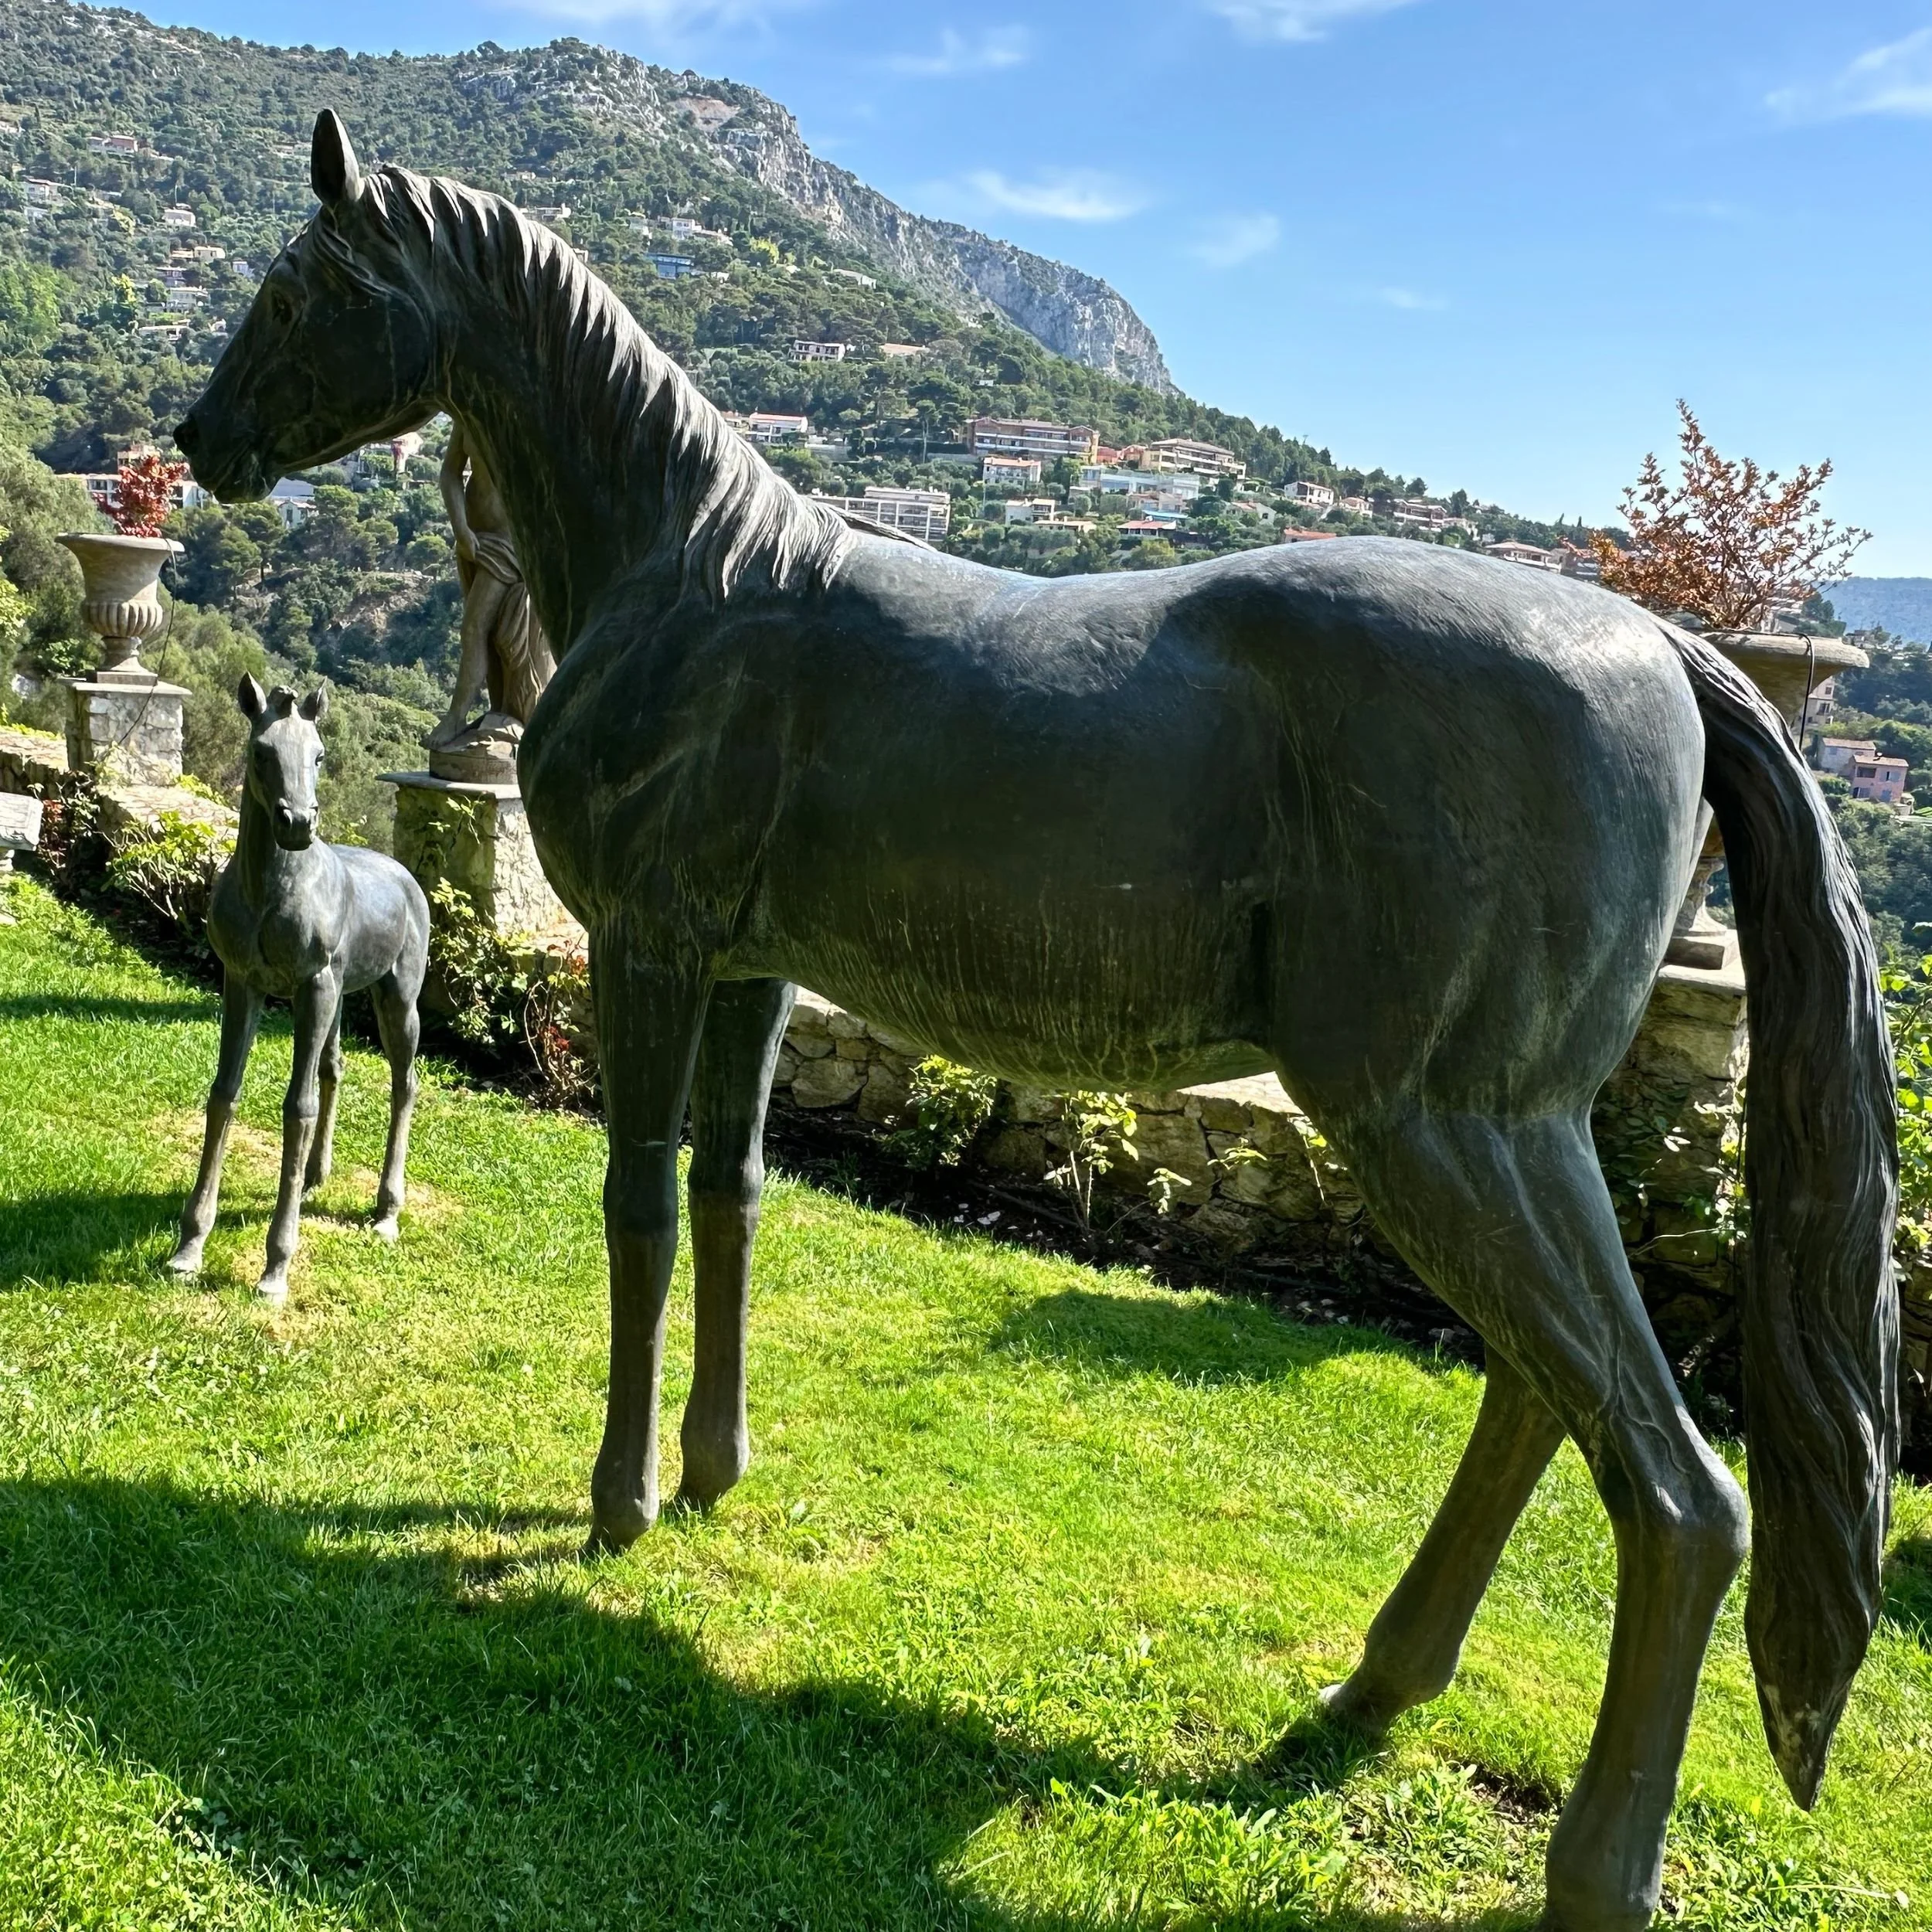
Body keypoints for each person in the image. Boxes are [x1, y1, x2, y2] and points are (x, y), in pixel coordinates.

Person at [428, 423, 555, 760]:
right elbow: (450, 473)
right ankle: (499, 710)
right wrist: (460, 528)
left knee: (474, 627)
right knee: (487, 634)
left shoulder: (528, 408)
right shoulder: (468, 412)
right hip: (474, 541)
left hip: (514, 543)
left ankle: (456, 716)